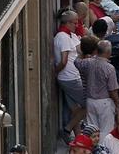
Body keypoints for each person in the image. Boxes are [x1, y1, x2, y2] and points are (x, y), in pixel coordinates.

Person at [75, 39, 119, 138]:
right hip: (104, 102)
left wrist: (82, 52)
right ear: (108, 52)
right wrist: (117, 105)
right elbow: (113, 90)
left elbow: (76, 62)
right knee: (106, 131)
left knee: (91, 131)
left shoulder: (88, 63)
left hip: (90, 100)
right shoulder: (109, 68)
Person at [54, 9, 87, 143]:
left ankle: (78, 139)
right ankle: (67, 129)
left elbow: (80, 50)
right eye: (74, 23)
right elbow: (63, 61)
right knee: (88, 104)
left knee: (75, 109)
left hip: (73, 76)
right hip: (69, 78)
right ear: (67, 23)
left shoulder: (71, 35)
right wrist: (56, 72)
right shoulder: (62, 37)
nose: (76, 25)